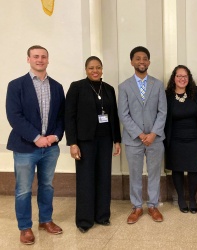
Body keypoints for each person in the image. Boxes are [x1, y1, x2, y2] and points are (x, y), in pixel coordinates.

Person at [6, 45, 65, 245]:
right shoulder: (16, 85)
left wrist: (54, 136)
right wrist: (36, 137)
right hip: (25, 147)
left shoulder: (56, 86)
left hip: (50, 148)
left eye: (44, 57)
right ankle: (25, 227)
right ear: (28, 59)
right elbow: (14, 116)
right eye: (36, 56)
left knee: (47, 186)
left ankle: (46, 220)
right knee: (23, 189)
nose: (40, 60)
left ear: (48, 60)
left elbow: (61, 117)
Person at [64, 56, 122, 233]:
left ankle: (102, 216)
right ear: (86, 70)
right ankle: (84, 220)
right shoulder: (77, 87)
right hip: (85, 141)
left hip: (105, 141)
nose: (95, 71)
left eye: (98, 67)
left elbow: (114, 116)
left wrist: (116, 140)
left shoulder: (109, 89)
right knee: (85, 180)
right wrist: (73, 143)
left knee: (104, 178)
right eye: (91, 68)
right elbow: (69, 116)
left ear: (102, 69)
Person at [118, 46, 167, 224]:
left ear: (149, 62)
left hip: (155, 139)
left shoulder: (158, 84)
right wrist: (140, 134)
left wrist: (153, 133)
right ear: (132, 62)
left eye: (144, 58)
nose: (141, 61)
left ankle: (153, 205)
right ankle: (137, 207)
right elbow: (123, 114)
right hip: (133, 140)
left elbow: (163, 112)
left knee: (154, 173)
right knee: (135, 173)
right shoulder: (124, 86)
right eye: (137, 58)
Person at [164, 65, 197, 213]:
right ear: (174, 78)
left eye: (185, 76)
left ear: (189, 78)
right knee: (177, 168)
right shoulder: (166, 95)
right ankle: (181, 198)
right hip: (174, 139)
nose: (182, 79)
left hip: (194, 138)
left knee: (194, 169)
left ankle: (192, 198)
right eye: (179, 76)